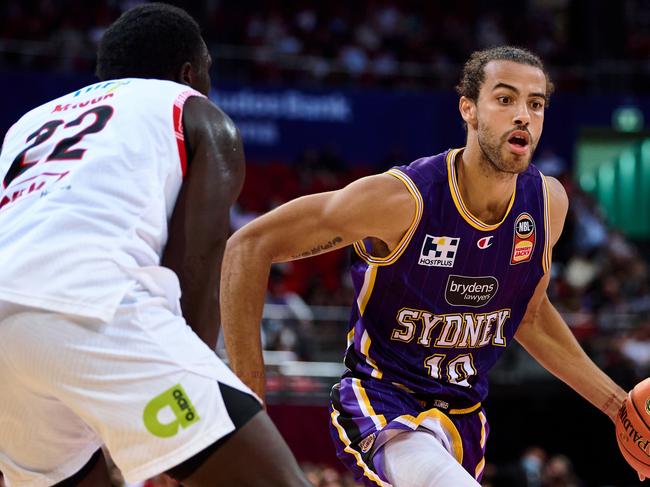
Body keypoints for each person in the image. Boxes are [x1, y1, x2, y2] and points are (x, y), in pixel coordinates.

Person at [220, 46, 637, 486]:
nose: (523, 116)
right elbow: (249, 244)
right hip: (382, 402)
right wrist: (249, 403)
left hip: (464, 420)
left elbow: (528, 316)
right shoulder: (404, 200)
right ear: (469, 109)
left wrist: (618, 406)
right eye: (505, 99)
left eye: (535, 104)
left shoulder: (547, 205)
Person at [0, 4, 310, 487]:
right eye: (208, 71)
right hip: (93, 303)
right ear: (188, 73)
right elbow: (200, 265)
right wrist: (176, 440)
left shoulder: (25, 126)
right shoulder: (193, 110)